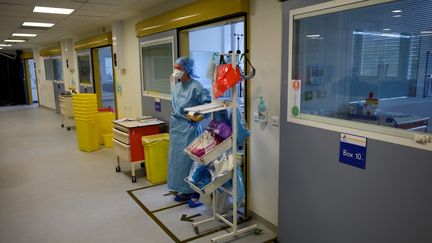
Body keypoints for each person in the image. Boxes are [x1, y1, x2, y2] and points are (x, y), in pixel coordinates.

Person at [167, 57, 210, 207]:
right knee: (177, 161)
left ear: (186, 69)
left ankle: (194, 192)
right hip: (176, 128)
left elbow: (207, 108)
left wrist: (194, 117)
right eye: (175, 67)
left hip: (189, 128)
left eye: (178, 68)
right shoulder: (177, 87)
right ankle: (183, 190)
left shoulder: (197, 87)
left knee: (190, 160)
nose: (176, 71)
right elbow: (175, 105)